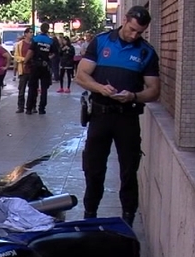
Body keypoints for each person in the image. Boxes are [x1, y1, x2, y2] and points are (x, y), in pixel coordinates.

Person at [75, 5, 160, 227]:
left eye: (139, 32)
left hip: (127, 118)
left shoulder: (146, 52)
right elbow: (81, 75)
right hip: (100, 116)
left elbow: (154, 90)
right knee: (94, 169)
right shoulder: (101, 41)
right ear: (125, 19)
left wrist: (134, 95)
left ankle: (128, 220)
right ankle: (90, 215)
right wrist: (100, 88)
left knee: (129, 171)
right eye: (132, 29)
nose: (134, 35)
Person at [23, 23, 58, 115]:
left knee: (32, 87)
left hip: (35, 65)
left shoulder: (35, 39)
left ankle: (29, 108)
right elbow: (54, 53)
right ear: (48, 29)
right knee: (44, 88)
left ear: (41, 29)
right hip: (45, 66)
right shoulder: (50, 41)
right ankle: (42, 108)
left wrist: (25, 61)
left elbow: (30, 52)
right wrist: (47, 58)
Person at [13, 28, 33, 113]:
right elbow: (16, 56)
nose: (31, 34)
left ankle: (32, 106)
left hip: (32, 69)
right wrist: (24, 59)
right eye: (30, 32)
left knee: (32, 90)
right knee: (21, 90)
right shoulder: (19, 44)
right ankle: (20, 107)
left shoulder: (34, 44)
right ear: (26, 34)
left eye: (32, 32)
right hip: (23, 70)